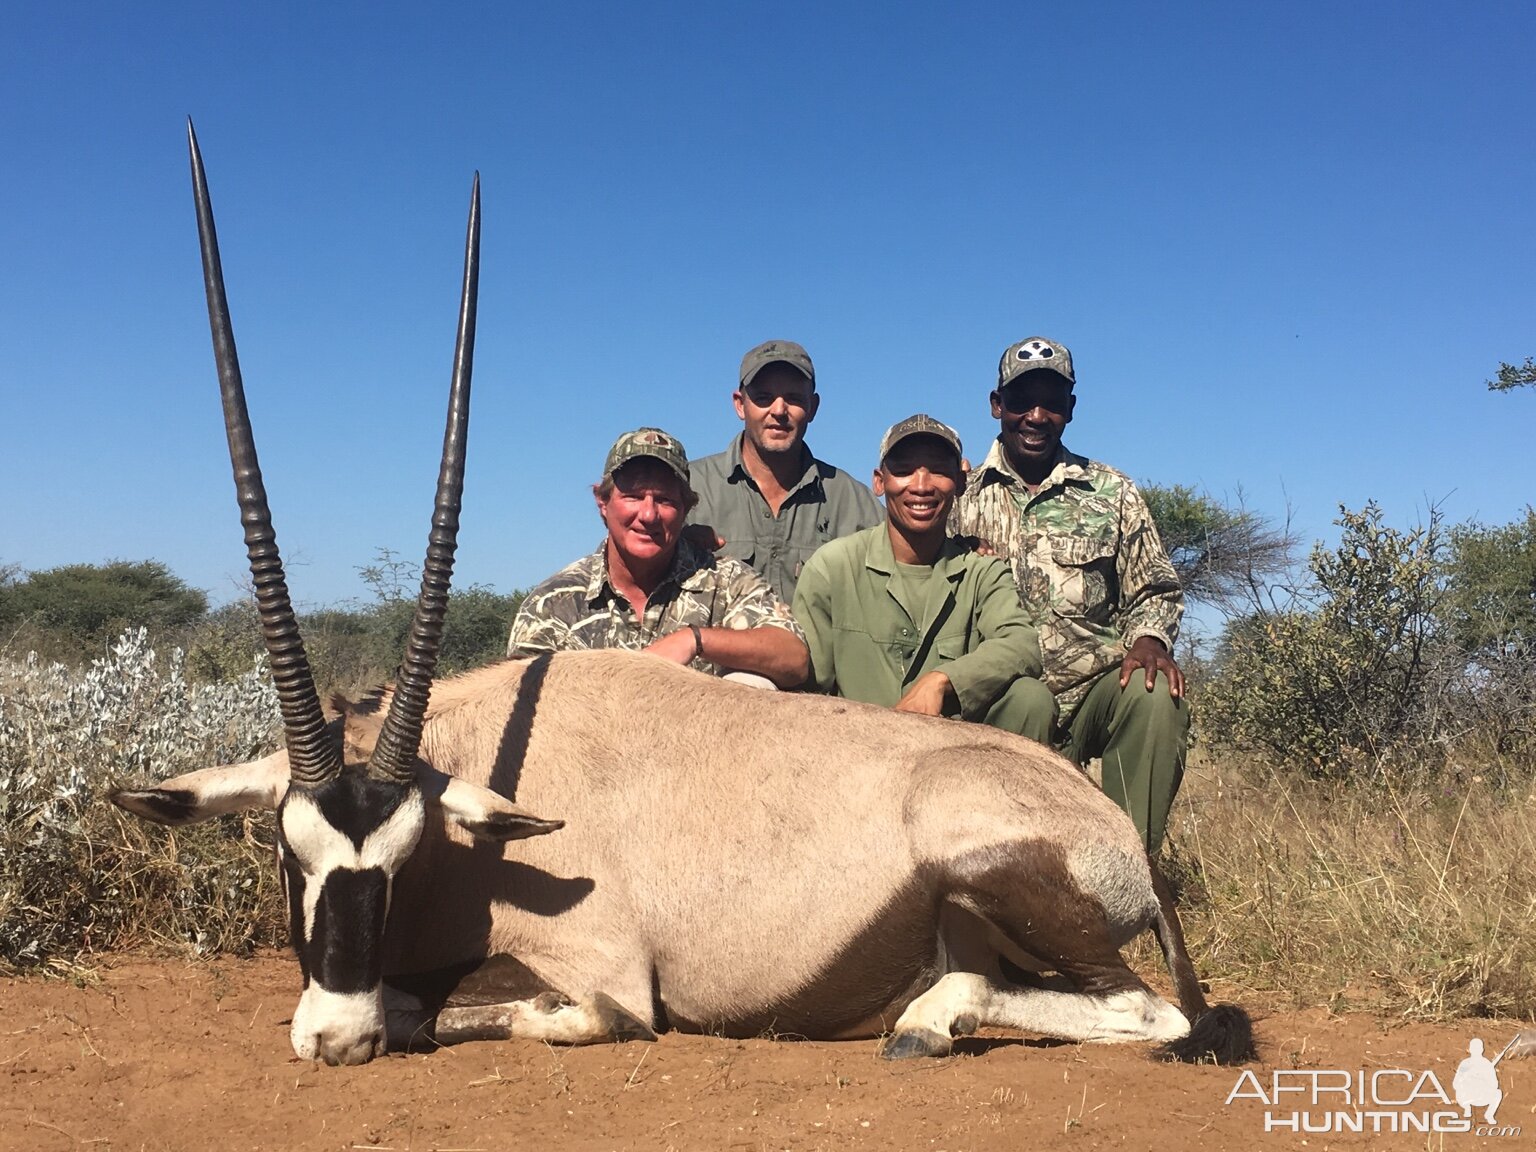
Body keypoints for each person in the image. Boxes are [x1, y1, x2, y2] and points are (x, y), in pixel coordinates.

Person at [952, 337, 1189, 853]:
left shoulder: (1112, 491)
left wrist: (1150, 640)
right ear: (997, 406)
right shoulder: (958, 496)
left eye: (1052, 402)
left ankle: (1129, 873)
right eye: (1021, 401)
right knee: (1023, 704)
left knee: (1153, 692)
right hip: (1001, 701)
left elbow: (1156, 587)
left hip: (1091, 693)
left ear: (1070, 410)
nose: (1036, 416)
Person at [791, 414, 1054, 741]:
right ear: (879, 481)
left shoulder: (982, 572)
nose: (921, 485)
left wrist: (941, 680)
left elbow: (1022, 644)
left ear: (960, 483)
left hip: (953, 763)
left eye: (939, 470)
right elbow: (805, 683)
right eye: (903, 470)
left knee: (1030, 699)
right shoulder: (832, 568)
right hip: (856, 759)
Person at [507, 427, 810, 689]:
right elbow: (515, 704)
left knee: (753, 684)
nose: (649, 515)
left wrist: (694, 640)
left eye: (664, 500)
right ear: (603, 503)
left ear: (685, 509)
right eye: (634, 497)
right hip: (589, 751)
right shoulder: (553, 604)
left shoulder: (727, 581)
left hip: (700, 753)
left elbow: (794, 658)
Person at [689, 339, 883, 605]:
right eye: (763, 398)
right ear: (739, 404)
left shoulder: (854, 503)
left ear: (813, 407)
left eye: (793, 398)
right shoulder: (688, 490)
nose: (779, 411)